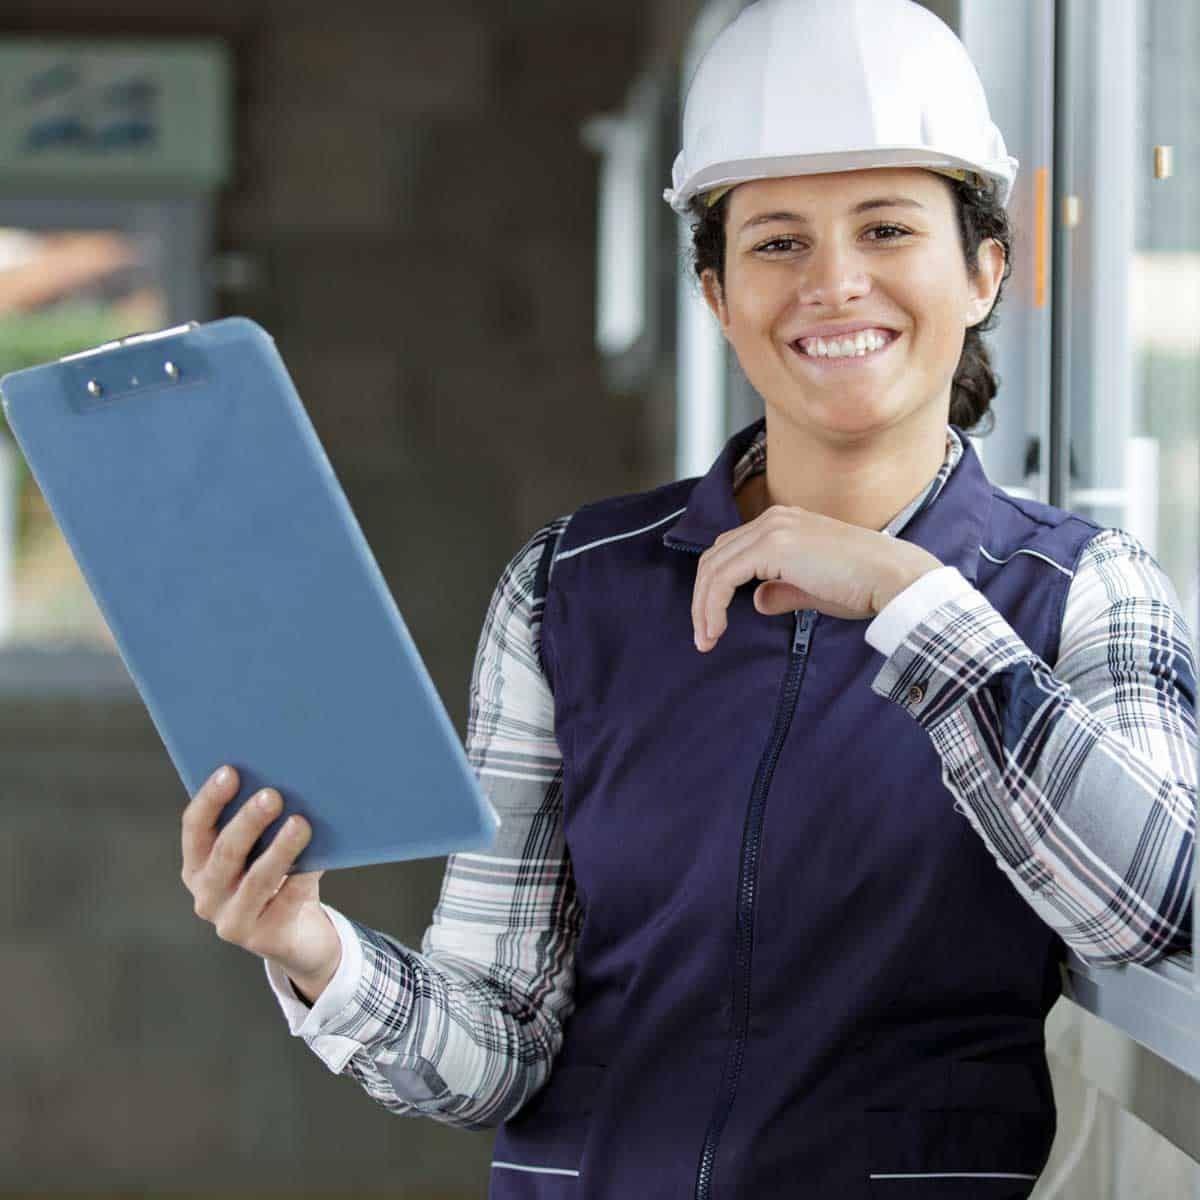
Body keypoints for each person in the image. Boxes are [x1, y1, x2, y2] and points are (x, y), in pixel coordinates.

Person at [179, 1, 1198, 1196]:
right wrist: (311, 950)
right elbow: (495, 1052)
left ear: (984, 269)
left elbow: (1154, 911)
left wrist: (916, 602)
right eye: (775, 243)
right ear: (716, 293)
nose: (834, 284)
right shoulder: (573, 590)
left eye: (885, 229)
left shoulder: (1085, 592)